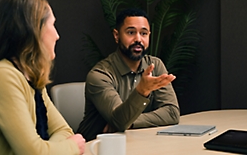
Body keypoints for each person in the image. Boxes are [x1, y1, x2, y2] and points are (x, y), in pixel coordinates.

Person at [0, 0, 85, 155]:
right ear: (33, 30)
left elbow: (64, 131)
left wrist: (50, 149)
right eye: (52, 24)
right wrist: (71, 147)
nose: (57, 35)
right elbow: (34, 152)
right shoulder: (1, 76)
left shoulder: (31, 77)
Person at [77, 8, 180, 141]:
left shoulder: (155, 65)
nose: (138, 39)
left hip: (137, 143)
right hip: (95, 148)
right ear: (116, 35)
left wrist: (130, 123)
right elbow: (119, 121)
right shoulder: (100, 75)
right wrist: (142, 91)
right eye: (131, 32)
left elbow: (172, 113)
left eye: (144, 33)